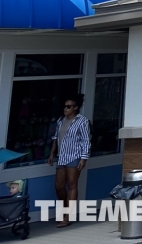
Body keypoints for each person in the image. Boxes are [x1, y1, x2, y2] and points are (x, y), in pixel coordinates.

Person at [47, 94, 91, 228]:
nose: (65, 109)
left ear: (76, 108)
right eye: (65, 106)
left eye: (69, 106)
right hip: (61, 156)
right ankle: (66, 210)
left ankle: (68, 216)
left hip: (75, 156)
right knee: (59, 187)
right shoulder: (61, 120)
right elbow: (56, 138)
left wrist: (83, 158)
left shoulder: (82, 121)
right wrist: (51, 154)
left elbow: (86, 140)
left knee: (72, 185)